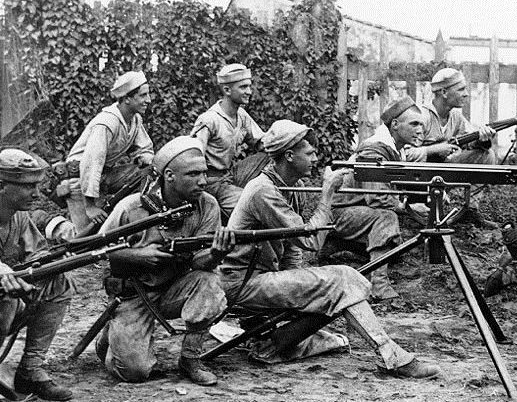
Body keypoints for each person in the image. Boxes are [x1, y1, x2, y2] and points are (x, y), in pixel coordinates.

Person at [222, 119, 440, 378]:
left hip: (263, 279)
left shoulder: (292, 186)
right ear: (289, 156)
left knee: (337, 290)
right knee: (343, 279)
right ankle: (391, 356)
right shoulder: (262, 191)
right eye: (310, 153)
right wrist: (327, 195)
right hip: (242, 283)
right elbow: (310, 242)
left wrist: (298, 286)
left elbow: (293, 249)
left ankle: (275, 344)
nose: (316, 158)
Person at [95, 136, 234, 385]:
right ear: (169, 176)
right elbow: (97, 249)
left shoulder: (207, 205)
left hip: (173, 288)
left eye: (204, 173)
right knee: (134, 372)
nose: (203, 181)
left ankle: (190, 359)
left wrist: (216, 253)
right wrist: (139, 255)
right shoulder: (132, 208)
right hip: (133, 293)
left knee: (209, 282)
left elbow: (200, 264)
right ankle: (110, 337)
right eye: (193, 174)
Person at [329, 95, 423, 300]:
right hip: (340, 213)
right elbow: (377, 198)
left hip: (359, 209)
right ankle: (379, 285)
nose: (420, 130)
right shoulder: (374, 150)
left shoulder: (395, 149)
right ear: (395, 125)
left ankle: (339, 246)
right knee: (386, 217)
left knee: (395, 241)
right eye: (414, 124)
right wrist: (409, 207)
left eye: (421, 125)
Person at [0, 149, 74, 401]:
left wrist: (52, 261)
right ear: (1, 186)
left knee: (57, 281)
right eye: (27, 186)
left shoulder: (18, 217)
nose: (36, 193)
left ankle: (30, 370)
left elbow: (37, 252)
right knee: (7, 297)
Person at [405, 68, 497, 226]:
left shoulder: (455, 115)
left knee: (487, 156)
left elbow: (468, 140)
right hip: (418, 177)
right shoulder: (422, 116)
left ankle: (470, 210)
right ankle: (418, 204)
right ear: (444, 92)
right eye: (461, 89)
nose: (466, 94)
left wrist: (482, 139)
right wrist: (435, 149)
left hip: (442, 171)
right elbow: (404, 154)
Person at [62, 71, 154, 231]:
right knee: (87, 236)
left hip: (104, 176)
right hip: (79, 179)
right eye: (143, 95)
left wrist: (144, 157)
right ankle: (58, 228)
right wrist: (90, 206)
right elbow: (91, 164)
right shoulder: (106, 123)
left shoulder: (135, 119)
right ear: (127, 98)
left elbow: (144, 148)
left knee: (149, 170)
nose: (149, 100)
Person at [191, 63, 268, 218]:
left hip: (230, 175)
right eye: (243, 87)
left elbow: (262, 143)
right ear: (227, 90)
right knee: (249, 204)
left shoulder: (242, 115)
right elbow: (193, 157)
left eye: (249, 86)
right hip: (211, 182)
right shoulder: (209, 120)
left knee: (271, 155)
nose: (249, 92)